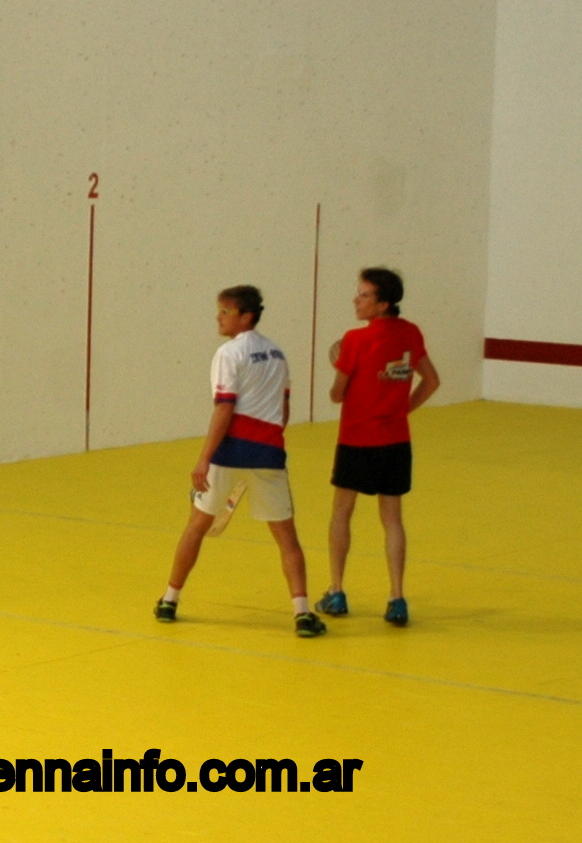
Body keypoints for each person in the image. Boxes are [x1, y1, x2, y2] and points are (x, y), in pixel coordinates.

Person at [155, 286, 324, 637]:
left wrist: (204, 459)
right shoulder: (278, 354)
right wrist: (267, 444)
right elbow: (284, 407)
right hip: (269, 455)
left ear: (245, 316)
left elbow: (224, 407)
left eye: (225, 312)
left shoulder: (228, 353)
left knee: (196, 527)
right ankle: (302, 613)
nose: (218, 317)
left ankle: (170, 600)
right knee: (287, 539)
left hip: (229, 453)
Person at [319, 266, 439, 625]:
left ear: (383, 303)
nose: (357, 300)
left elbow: (337, 395)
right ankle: (397, 598)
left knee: (342, 512)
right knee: (392, 519)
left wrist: (337, 364)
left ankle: (337, 591)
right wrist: (402, 408)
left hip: (357, 439)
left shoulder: (354, 341)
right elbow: (431, 380)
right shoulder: (410, 333)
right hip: (395, 441)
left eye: (365, 295)